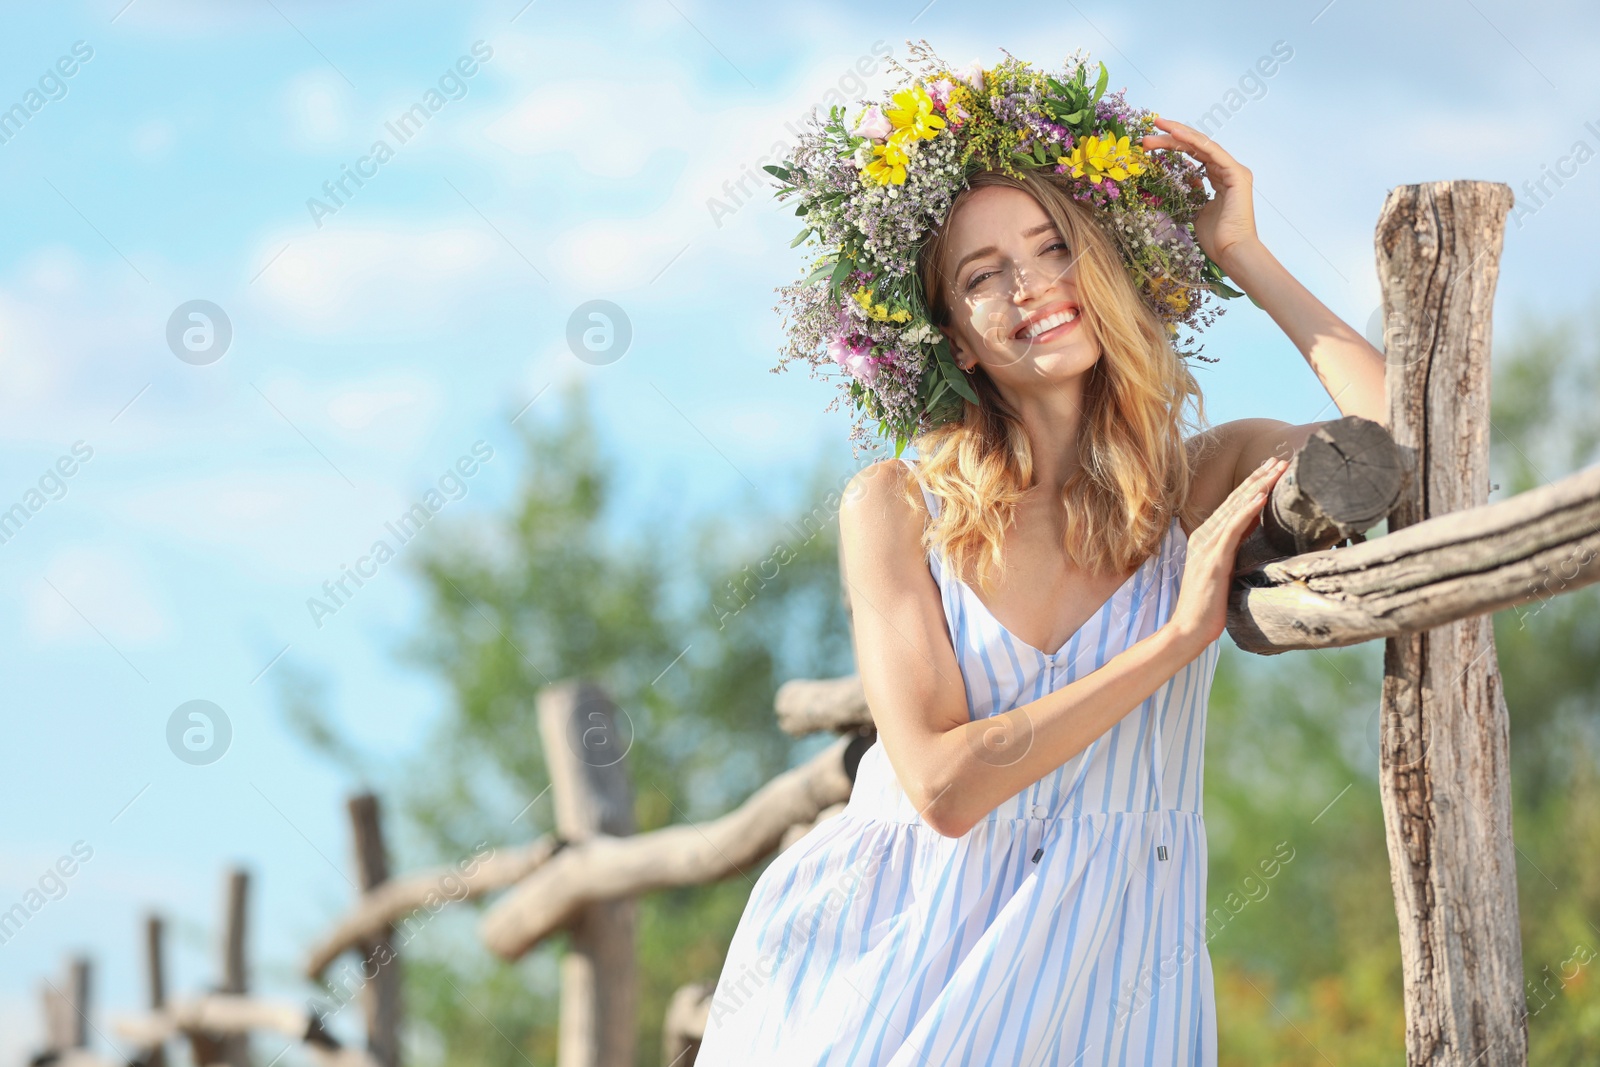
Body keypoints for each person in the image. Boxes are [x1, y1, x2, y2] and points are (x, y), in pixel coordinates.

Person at [696, 47, 1385, 1065]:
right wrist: (1176, 638)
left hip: (1109, 977)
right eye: (983, 276)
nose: (1033, 287)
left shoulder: (1197, 485)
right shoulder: (897, 507)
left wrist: (1239, 248)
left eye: (1053, 247)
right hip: (880, 979)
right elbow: (939, 785)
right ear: (957, 339)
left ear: (1100, 264)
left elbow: (1398, 436)